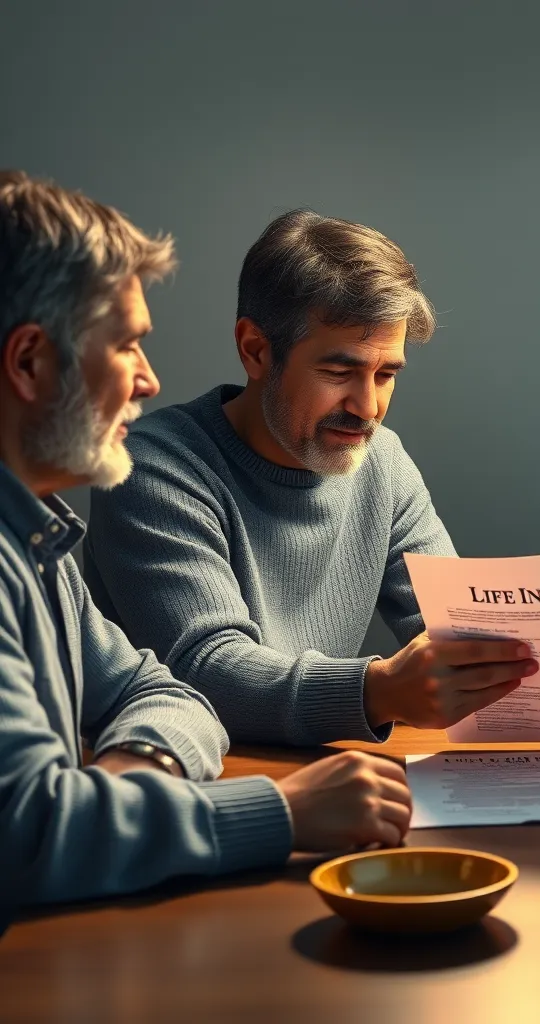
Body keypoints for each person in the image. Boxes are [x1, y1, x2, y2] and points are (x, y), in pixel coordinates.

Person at [0, 171, 414, 909]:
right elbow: (33, 835)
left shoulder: (40, 536)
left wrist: (132, 781)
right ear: (29, 362)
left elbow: (158, 688)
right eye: (127, 345)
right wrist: (282, 814)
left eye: (387, 374)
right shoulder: (137, 475)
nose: (149, 380)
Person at [84, 209, 537, 746]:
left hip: (324, 775)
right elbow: (203, 670)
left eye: (386, 374)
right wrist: (379, 690)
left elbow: (452, 625)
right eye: (339, 372)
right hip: (178, 785)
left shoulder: (382, 462)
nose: (367, 408)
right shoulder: (152, 467)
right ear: (255, 350)